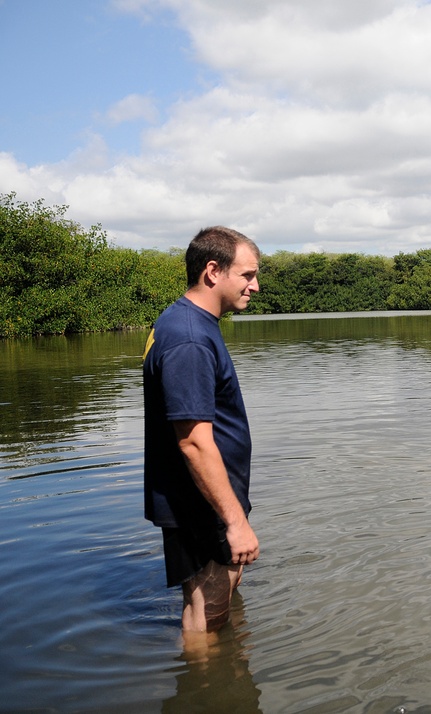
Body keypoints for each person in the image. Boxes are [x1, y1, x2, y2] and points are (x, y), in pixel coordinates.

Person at [143, 226, 261, 634]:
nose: (255, 286)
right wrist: (235, 522)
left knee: (220, 602)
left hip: (209, 497)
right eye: (247, 275)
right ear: (213, 271)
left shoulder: (190, 324)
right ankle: (208, 692)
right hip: (201, 501)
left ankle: (223, 677)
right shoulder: (189, 337)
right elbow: (193, 441)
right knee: (207, 617)